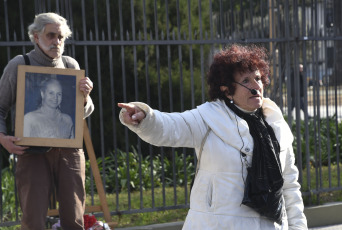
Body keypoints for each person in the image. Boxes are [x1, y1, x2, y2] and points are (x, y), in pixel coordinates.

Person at [118, 44, 308, 229]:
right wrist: (145, 117)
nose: (256, 86)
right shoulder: (208, 118)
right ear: (226, 89)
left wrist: (298, 226)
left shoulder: (275, 124)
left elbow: (290, 185)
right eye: (246, 81)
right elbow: (171, 126)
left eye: (258, 78)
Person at [0, 12, 94, 230]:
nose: (56, 42)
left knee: (75, 220)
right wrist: (3, 138)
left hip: (69, 152)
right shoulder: (19, 65)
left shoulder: (71, 66)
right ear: (36, 36)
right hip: (32, 153)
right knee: (33, 220)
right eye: (51, 35)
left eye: (61, 37)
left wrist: (86, 97)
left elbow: (85, 112)